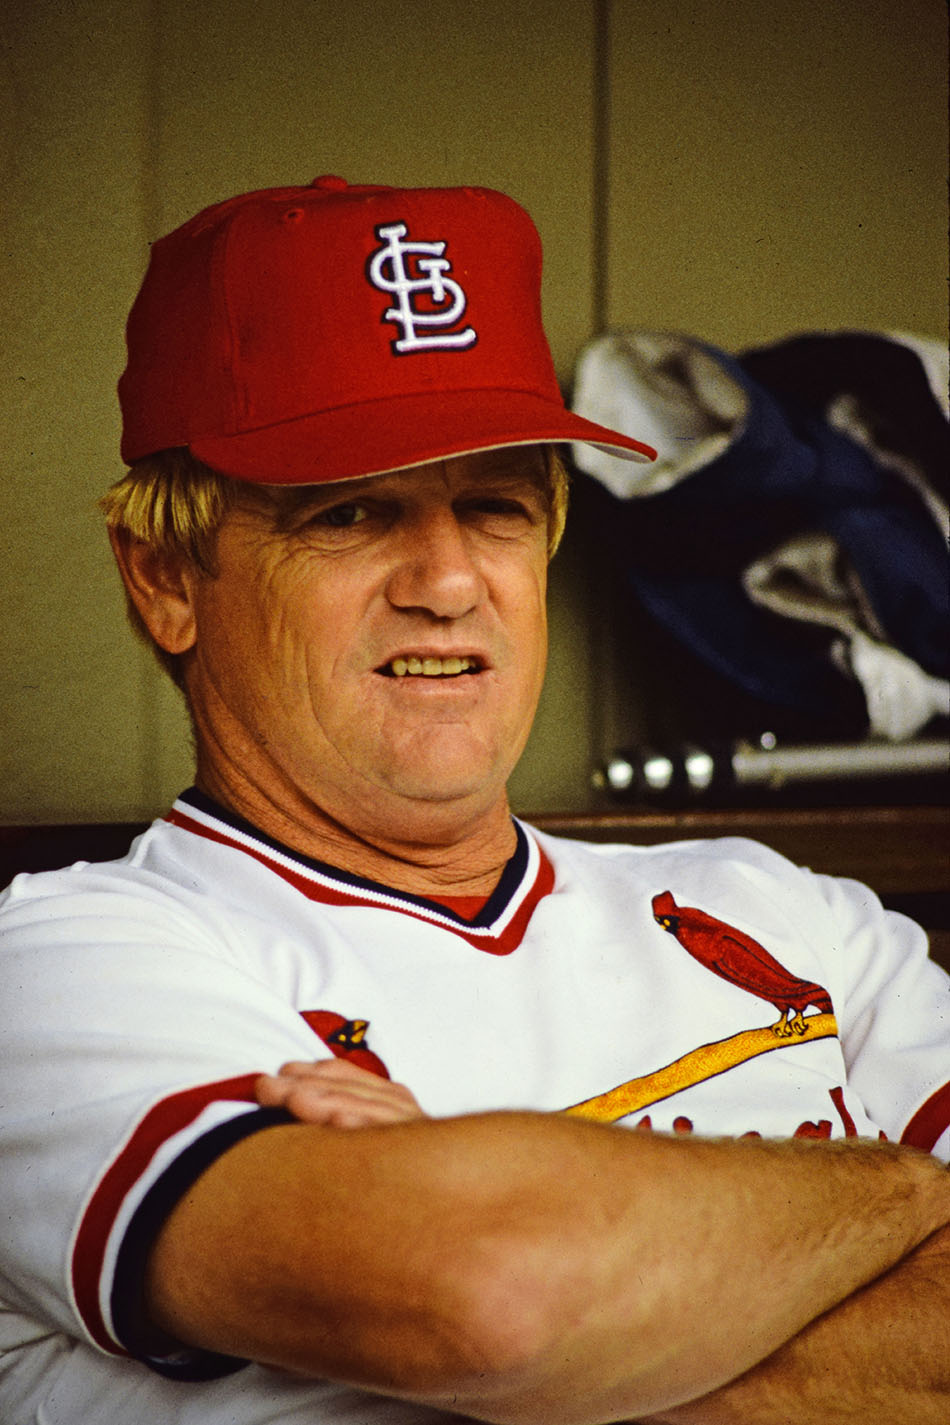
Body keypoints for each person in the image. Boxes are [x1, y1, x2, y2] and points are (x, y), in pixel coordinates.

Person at [0, 176, 947, 1425]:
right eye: (349, 510)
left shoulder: (790, 913)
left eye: (495, 505)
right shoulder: (63, 965)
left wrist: (564, 1342)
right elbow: (493, 1295)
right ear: (168, 576)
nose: (447, 580)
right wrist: (907, 1198)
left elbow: (515, 1328)